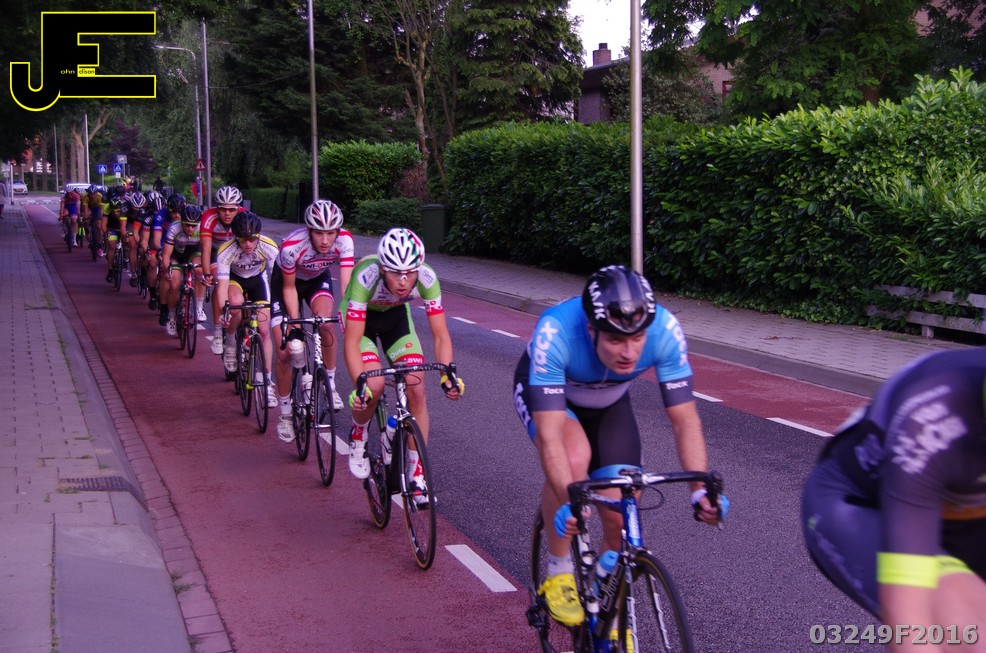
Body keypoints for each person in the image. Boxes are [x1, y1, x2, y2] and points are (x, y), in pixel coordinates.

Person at [513, 264, 723, 630]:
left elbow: (685, 420)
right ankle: (559, 572)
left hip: (610, 404)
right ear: (591, 330)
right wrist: (568, 497)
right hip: (552, 398)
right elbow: (550, 436)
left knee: (621, 513)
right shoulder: (556, 331)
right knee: (574, 459)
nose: (628, 352)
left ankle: (606, 614)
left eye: (637, 338)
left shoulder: (664, 331)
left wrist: (699, 489)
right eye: (615, 340)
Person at [802, 348, 986, 651]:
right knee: (969, 631)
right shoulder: (930, 421)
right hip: (862, 502)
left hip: (966, 508)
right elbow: (909, 624)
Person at [342, 227, 463, 484]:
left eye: (409, 273)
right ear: (382, 269)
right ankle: (358, 434)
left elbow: (440, 334)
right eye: (395, 272)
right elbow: (352, 342)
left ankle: (416, 471)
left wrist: (447, 375)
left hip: (396, 317)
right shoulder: (366, 277)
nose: (403, 281)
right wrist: (360, 384)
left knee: (416, 385)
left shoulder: (427, 278)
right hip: (362, 321)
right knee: (374, 384)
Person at [270, 199, 354, 443]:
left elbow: (347, 285)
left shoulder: (345, 241)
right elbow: (289, 289)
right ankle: (286, 414)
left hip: (317, 279)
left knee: (326, 324)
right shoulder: (291, 247)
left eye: (331, 233)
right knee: (285, 352)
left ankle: (330, 385)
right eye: (319, 233)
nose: (325, 240)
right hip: (286, 284)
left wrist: (349, 313)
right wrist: (295, 325)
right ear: (309, 231)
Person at [214, 212, 280, 408]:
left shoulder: (269, 246)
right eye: (243, 239)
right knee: (235, 304)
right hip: (235, 280)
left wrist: (278, 307)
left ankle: (267, 382)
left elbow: (279, 280)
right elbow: (222, 287)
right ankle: (231, 341)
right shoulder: (226, 251)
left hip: (258, 280)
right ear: (236, 237)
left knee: (265, 329)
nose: (248, 244)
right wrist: (225, 312)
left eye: (252, 239)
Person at [201, 186, 246, 355]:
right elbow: (206, 249)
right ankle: (218, 332)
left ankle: (245, 328)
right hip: (216, 253)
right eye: (223, 209)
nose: (227, 213)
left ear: (238, 208)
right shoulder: (209, 217)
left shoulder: (243, 216)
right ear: (217, 208)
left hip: (236, 254)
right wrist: (206, 273)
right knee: (219, 281)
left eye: (231, 209)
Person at [160, 205, 207, 337]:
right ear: (182, 222)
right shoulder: (174, 228)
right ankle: (172, 315)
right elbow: (166, 255)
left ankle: (198, 307)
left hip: (193, 252)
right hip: (176, 254)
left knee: (200, 271)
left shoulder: (202, 228)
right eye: (187, 225)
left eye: (193, 226)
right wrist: (167, 270)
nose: (190, 229)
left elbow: (206, 251)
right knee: (174, 285)